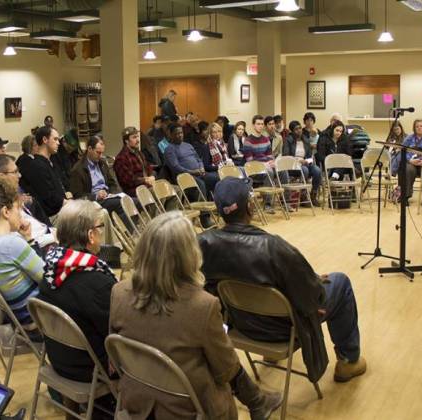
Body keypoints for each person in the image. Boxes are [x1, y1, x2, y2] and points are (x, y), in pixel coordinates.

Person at [110, 211, 282, 420]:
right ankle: (257, 402)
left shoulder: (118, 292)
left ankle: (258, 402)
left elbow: (116, 355)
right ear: (189, 254)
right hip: (188, 409)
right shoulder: (202, 306)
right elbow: (226, 371)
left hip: (137, 399)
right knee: (223, 360)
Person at [199, 177, 367, 384]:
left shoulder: (204, 244)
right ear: (250, 207)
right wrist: (314, 285)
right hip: (283, 328)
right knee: (340, 282)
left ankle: (269, 354)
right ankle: (348, 362)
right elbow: (313, 297)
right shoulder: (273, 247)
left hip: (242, 325)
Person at [38, 200, 118, 417]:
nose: (102, 233)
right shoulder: (97, 283)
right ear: (91, 235)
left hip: (59, 359)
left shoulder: (50, 270)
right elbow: (119, 335)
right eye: (100, 227)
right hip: (89, 370)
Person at [0, 178, 45, 341]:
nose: (20, 214)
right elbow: (47, 278)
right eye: (18, 208)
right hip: (39, 320)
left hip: (20, 319)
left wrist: (28, 238)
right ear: (6, 212)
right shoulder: (12, 244)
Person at [0, 154, 55, 248]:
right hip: (40, 244)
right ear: (1, 176)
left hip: (46, 235)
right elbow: (23, 241)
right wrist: (54, 236)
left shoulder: (17, 196)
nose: (20, 175)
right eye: (15, 172)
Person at [21, 126, 70, 218]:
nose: (58, 143)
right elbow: (49, 198)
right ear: (45, 139)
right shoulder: (37, 166)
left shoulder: (50, 161)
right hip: (52, 216)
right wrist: (69, 203)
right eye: (55, 139)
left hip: (61, 208)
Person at [164, 123, 219, 198]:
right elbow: (176, 167)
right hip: (185, 177)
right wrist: (192, 172)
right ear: (171, 135)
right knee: (201, 184)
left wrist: (201, 168)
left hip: (199, 173)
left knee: (216, 178)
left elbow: (198, 159)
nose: (180, 135)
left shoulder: (188, 145)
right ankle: (203, 209)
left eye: (181, 133)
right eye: (177, 133)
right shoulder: (169, 149)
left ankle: (215, 203)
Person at [284, 120, 322, 206]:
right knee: (304, 170)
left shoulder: (305, 139)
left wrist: (307, 161)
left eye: (300, 128)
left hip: (305, 163)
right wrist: (298, 161)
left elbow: (309, 156)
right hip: (292, 165)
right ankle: (303, 196)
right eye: (296, 129)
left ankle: (313, 196)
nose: (299, 130)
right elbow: (286, 156)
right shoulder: (288, 140)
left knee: (317, 170)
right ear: (292, 131)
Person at [113, 127, 156, 197]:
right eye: (134, 137)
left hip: (147, 186)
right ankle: (154, 208)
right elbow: (129, 181)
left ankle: (166, 208)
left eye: (137, 137)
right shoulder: (121, 158)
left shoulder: (138, 153)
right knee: (158, 192)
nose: (138, 140)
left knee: (175, 190)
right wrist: (144, 180)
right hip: (134, 190)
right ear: (126, 141)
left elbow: (148, 167)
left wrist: (152, 176)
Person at [399, 119, 422, 203]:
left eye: (421, 126)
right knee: (408, 170)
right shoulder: (409, 138)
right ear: (414, 128)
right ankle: (406, 196)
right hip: (411, 162)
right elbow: (402, 151)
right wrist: (410, 160)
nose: (419, 128)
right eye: (417, 126)